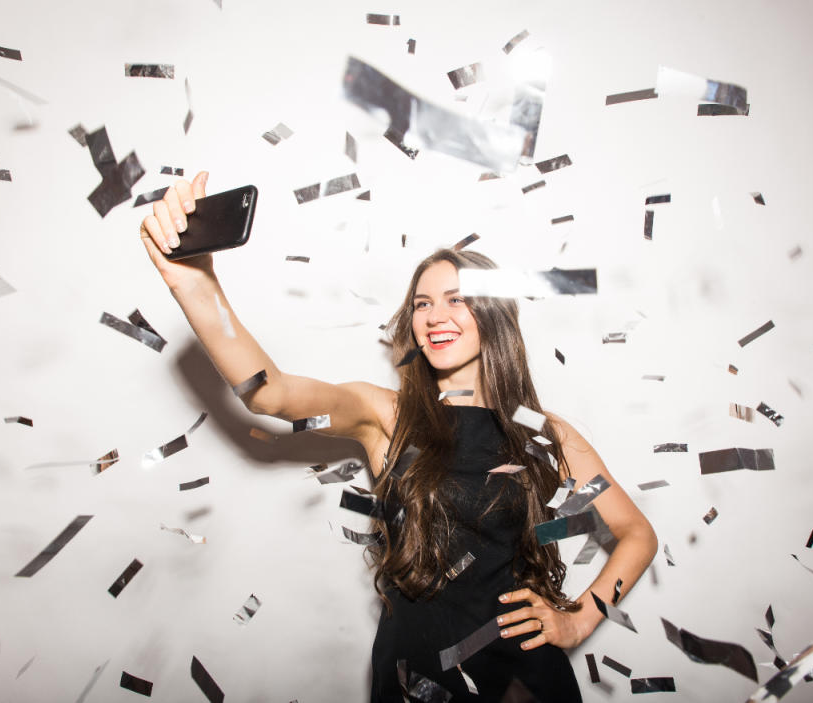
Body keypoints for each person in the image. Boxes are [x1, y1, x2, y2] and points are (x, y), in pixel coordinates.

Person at [140, 173, 658, 701]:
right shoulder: (386, 414)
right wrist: (195, 285)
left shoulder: (544, 435)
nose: (435, 316)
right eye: (422, 303)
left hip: (524, 681)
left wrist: (578, 620)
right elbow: (269, 395)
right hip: (413, 678)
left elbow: (636, 533)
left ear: (493, 314)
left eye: (457, 300)